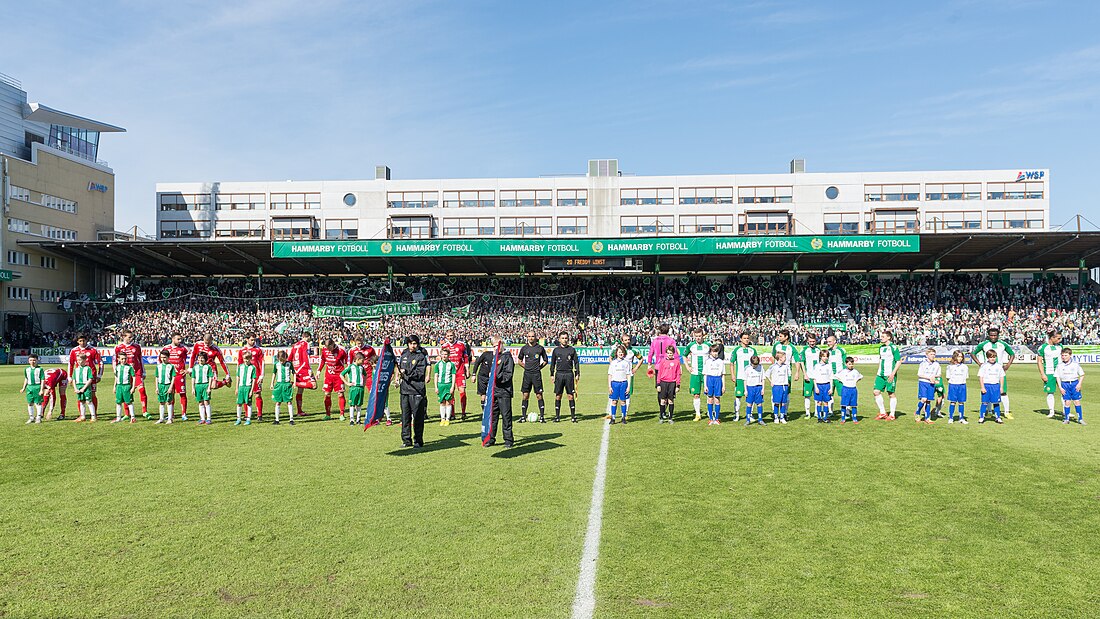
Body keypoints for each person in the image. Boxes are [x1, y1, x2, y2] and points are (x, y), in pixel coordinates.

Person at [971, 327, 1015, 419]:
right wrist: (980, 364)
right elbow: (973, 353)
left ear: (998, 335)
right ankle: (989, 411)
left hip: (999, 371)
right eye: (991, 335)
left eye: (995, 335)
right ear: (988, 335)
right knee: (988, 392)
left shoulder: (1003, 344)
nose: (993, 337)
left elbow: (1012, 354)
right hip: (988, 372)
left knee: (1003, 392)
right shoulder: (984, 344)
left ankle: (1006, 412)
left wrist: (1008, 365)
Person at [396, 334, 430, 448]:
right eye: (410, 343)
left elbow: (420, 373)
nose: (412, 346)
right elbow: (399, 368)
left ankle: (418, 441)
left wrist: (406, 372)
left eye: (415, 343)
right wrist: (398, 378)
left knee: (418, 418)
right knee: (405, 417)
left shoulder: (421, 356)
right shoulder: (404, 354)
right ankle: (406, 440)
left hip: (417, 390)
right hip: (404, 390)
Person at [484, 335, 515, 447]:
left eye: (496, 346)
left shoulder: (507, 357)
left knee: (506, 417)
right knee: (493, 416)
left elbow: (508, 375)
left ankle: (508, 440)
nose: (495, 348)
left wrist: (496, 377)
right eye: (493, 346)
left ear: (501, 344)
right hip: (494, 391)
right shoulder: (495, 357)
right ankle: (491, 438)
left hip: (504, 391)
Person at [114, 330, 148, 417]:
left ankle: (144, 411)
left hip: (136, 371)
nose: (131, 338)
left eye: (132, 337)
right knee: (126, 391)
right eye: (129, 337)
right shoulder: (118, 347)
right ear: (123, 337)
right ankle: (126, 414)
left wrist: (143, 371)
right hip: (125, 373)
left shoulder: (136, 346)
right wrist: (116, 371)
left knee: (142, 389)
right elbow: (115, 360)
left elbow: (140, 359)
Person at [549, 331, 580, 423]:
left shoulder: (572, 350)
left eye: (566, 338)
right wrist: (551, 374)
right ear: (559, 339)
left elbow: (576, 362)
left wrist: (577, 373)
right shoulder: (556, 350)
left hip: (569, 374)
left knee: (570, 396)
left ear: (568, 339)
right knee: (558, 395)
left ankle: (573, 417)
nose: (564, 340)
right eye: (562, 338)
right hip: (559, 374)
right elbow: (553, 363)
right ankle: (557, 417)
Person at [68, 333, 103, 414]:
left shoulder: (93, 350)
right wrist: (69, 376)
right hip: (79, 377)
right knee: (80, 395)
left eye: (84, 340)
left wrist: (99, 375)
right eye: (80, 341)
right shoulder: (74, 351)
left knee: (92, 394)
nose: (82, 342)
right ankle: (81, 415)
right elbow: (71, 363)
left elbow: (100, 362)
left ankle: (94, 413)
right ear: (77, 341)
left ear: (87, 340)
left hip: (91, 376)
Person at [518, 332, 548, 423]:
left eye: (532, 336)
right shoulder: (524, 348)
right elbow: (519, 361)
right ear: (527, 337)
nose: (531, 338)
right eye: (529, 336)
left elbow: (546, 360)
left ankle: (542, 417)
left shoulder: (540, 348)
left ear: (536, 337)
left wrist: (539, 368)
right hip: (527, 375)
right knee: (525, 395)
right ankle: (523, 417)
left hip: (536, 375)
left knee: (539, 395)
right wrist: (526, 367)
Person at [442, 330, 472, 421]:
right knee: (451, 392)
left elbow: (466, 357)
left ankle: (463, 413)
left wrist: (467, 369)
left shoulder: (461, 345)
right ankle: (452, 414)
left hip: (460, 371)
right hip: (449, 373)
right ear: (446, 336)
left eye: (451, 335)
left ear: (454, 335)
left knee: (462, 391)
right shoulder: (444, 346)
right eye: (448, 336)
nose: (450, 337)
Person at [287, 330, 317, 417]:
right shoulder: (306, 344)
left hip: (297, 369)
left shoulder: (295, 345)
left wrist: (291, 370)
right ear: (307, 337)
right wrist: (309, 369)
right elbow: (306, 357)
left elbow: (289, 359)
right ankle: (293, 383)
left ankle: (299, 411)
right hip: (304, 368)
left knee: (300, 390)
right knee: (314, 385)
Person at [160, 333, 190, 420]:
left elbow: (193, 356)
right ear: (173, 339)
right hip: (169, 376)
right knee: (170, 394)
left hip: (180, 375)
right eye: (178, 339)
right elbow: (160, 360)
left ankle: (183, 414)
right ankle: (171, 414)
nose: (180, 341)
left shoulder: (184, 348)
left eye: (181, 339)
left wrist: (188, 369)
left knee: (182, 394)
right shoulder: (166, 348)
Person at [873, 330, 901, 421]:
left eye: (883, 337)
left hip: (889, 374)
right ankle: (883, 412)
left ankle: (892, 414)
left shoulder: (893, 347)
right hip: (880, 374)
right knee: (876, 392)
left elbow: (898, 361)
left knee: (891, 393)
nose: (881, 338)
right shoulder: (881, 348)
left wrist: (893, 374)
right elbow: (880, 360)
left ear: (888, 337)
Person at [318, 339, 348, 420]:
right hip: (329, 375)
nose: (328, 350)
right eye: (327, 348)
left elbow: (347, 362)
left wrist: (348, 373)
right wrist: (318, 371)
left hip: (339, 375)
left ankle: (342, 414)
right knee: (327, 394)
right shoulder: (324, 349)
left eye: (329, 348)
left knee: (340, 394)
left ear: (333, 344)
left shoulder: (341, 350)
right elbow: (323, 360)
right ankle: (328, 414)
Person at [237, 333, 265, 421]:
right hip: (246, 376)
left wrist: (261, 375)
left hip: (256, 376)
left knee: (257, 394)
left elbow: (262, 362)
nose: (253, 341)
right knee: (246, 395)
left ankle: (259, 414)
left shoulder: (258, 350)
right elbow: (239, 364)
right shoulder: (242, 350)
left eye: (254, 340)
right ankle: (247, 414)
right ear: (247, 339)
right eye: (252, 340)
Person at [1036, 330, 1064, 418]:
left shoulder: (1060, 346)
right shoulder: (1043, 348)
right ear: (1052, 338)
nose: (1060, 340)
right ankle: (1051, 411)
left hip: (1061, 373)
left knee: (1064, 391)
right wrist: (1042, 374)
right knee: (1050, 392)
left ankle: (1065, 411)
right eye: (1058, 338)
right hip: (1049, 372)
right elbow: (1039, 362)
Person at [685, 327, 710, 422]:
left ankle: (709, 412)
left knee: (709, 394)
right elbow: (684, 355)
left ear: (703, 336)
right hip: (695, 373)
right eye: (696, 336)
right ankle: (698, 414)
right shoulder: (690, 345)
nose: (698, 338)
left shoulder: (708, 345)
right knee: (696, 394)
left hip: (706, 373)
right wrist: (687, 366)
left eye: (700, 336)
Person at [1056, 347, 1085, 425]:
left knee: (1077, 401)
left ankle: (1080, 418)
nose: (1064, 357)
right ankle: (1066, 419)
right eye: (1062, 355)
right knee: (1067, 402)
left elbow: (1082, 375)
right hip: (1065, 384)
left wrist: (1079, 384)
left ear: (1070, 355)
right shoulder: (1059, 365)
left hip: (1074, 384)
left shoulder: (1075, 364)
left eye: (1066, 355)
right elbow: (1057, 377)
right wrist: (1060, 387)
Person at [731, 332, 756, 422]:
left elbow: (756, 363)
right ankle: (736, 414)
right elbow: (731, 363)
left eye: (747, 338)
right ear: (740, 339)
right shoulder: (737, 350)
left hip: (751, 378)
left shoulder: (752, 350)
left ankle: (750, 414)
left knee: (750, 396)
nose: (746, 340)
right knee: (738, 396)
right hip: (740, 377)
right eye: (744, 338)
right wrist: (733, 374)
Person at [799, 333, 824, 421]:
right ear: (807, 341)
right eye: (810, 341)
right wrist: (804, 374)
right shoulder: (804, 350)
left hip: (818, 377)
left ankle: (817, 413)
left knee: (817, 395)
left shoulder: (819, 350)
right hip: (808, 376)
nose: (812, 343)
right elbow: (801, 362)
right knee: (807, 395)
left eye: (813, 341)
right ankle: (808, 413)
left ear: (816, 341)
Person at [655, 345, 682, 424]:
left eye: (671, 353)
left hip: (672, 383)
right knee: (662, 400)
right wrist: (658, 384)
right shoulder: (663, 361)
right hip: (663, 382)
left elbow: (678, 374)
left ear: (673, 353)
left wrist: (678, 385)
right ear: (666, 353)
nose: (670, 354)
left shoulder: (676, 362)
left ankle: (670, 418)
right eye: (668, 353)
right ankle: (661, 417)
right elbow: (659, 373)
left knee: (670, 400)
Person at [978, 349, 1005, 424]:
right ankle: (982, 417)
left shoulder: (999, 366)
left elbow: (1001, 377)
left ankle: (998, 417)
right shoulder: (984, 366)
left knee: (996, 402)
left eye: (994, 357)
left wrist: (1001, 387)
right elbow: (981, 377)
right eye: (991, 357)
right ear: (987, 357)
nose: (992, 358)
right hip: (986, 385)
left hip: (995, 386)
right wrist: (982, 387)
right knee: (984, 402)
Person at [608, 345, 633, 425]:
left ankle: (623, 417)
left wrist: (628, 386)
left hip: (623, 383)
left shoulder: (626, 363)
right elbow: (610, 375)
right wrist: (610, 386)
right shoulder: (613, 363)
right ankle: (613, 417)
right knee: (614, 401)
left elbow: (628, 375)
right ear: (616, 353)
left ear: (624, 353)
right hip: (615, 383)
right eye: (619, 352)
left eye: (622, 352)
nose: (620, 353)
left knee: (623, 401)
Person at [915, 348, 941, 423]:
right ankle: (917, 412)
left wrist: (934, 377)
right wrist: (929, 377)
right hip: (923, 382)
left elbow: (939, 374)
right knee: (923, 399)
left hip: (931, 384)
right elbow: (919, 374)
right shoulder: (923, 364)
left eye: (934, 354)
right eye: (931, 354)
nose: (933, 356)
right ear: (927, 355)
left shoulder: (937, 364)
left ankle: (927, 418)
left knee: (928, 401)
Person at [703, 343, 726, 425]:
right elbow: (705, 374)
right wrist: (705, 385)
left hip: (718, 380)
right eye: (713, 351)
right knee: (710, 399)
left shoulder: (721, 362)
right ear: (710, 352)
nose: (715, 353)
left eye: (716, 351)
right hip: (710, 379)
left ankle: (716, 418)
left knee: (717, 399)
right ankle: (710, 418)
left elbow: (723, 374)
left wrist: (723, 386)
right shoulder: (707, 361)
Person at [434, 346, 458, 426]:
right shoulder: (438, 364)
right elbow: (436, 376)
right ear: (440, 355)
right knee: (441, 402)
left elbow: (454, 375)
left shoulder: (451, 364)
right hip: (440, 385)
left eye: (446, 354)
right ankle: (442, 418)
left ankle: (447, 419)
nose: (444, 356)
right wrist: (436, 387)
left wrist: (452, 386)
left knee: (448, 402)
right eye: (443, 354)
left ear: (448, 355)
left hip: (448, 385)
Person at [270, 350, 295, 425]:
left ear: (286, 358)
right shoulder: (276, 364)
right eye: (280, 360)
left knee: (289, 401)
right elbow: (274, 373)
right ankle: (277, 419)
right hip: (279, 385)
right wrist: (272, 383)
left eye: (283, 360)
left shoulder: (289, 364)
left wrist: (295, 382)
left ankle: (291, 419)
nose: (282, 362)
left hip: (287, 384)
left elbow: (294, 373)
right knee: (278, 401)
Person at [341, 352, 367, 426]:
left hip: (360, 388)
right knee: (352, 404)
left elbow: (365, 375)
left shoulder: (361, 367)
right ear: (357, 359)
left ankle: (358, 419)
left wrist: (364, 383)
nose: (363, 362)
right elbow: (342, 374)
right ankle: (352, 419)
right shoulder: (351, 367)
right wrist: (347, 383)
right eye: (362, 361)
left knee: (359, 404)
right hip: (353, 387)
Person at [767, 349, 791, 424]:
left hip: (784, 386)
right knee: (776, 402)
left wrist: (787, 382)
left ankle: (782, 417)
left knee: (783, 403)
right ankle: (776, 417)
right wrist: (771, 382)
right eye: (784, 357)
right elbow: (767, 374)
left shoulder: (786, 366)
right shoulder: (773, 366)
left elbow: (788, 374)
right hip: (777, 386)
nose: (785, 359)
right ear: (780, 358)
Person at [835, 356, 862, 423]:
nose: (851, 365)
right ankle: (843, 418)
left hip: (853, 389)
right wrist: (841, 380)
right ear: (846, 364)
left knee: (854, 405)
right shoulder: (843, 371)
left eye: (852, 364)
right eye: (849, 364)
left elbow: (860, 377)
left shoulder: (855, 371)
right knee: (844, 404)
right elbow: (836, 376)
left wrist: (855, 381)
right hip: (845, 389)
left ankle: (854, 418)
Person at [190, 351, 215, 425]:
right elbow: (193, 378)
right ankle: (202, 418)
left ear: (205, 359)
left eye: (202, 358)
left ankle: (209, 418)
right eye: (199, 358)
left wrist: (209, 387)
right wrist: (193, 388)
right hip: (198, 386)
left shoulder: (208, 367)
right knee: (200, 402)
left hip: (205, 385)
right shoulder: (195, 367)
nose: (200, 360)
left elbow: (210, 377)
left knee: (206, 401)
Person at [945, 350, 969, 425]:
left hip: (962, 385)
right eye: (958, 356)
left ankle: (961, 418)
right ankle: (951, 418)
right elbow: (948, 377)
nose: (960, 358)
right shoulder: (950, 367)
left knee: (961, 402)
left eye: (961, 357)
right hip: (953, 385)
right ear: (955, 357)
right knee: (953, 402)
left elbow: (966, 376)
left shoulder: (965, 367)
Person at [72, 353, 98, 422]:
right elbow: (74, 380)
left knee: (88, 401)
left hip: (86, 387)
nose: (79, 361)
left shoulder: (88, 368)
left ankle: (93, 416)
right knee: (81, 401)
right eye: (78, 360)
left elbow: (90, 379)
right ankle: (82, 416)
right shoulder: (76, 369)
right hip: (78, 386)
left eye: (80, 360)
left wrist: (84, 388)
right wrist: (75, 388)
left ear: (85, 360)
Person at [235, 350, 258, 426]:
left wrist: (251, 390)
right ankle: (238, 419)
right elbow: (238, 377)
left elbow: (254, 379)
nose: (246, 360)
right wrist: (237, 388)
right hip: (241, 387)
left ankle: (248, 419)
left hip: (248, 387)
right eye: (245, 358)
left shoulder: (252, 367)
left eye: (248, 359)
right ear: (243, 358)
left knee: (248, 403)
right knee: (239, 403)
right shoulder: (240, 367)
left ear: (251, 358)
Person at [21, 353, 45, 424]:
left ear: (37, 360)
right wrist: (23, 388)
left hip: (37, 387)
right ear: (28, 361)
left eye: (34, 360)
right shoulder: (27, 369)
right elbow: (26, 378)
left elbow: (42, 379)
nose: (32, 362)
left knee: (38, 403)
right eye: (31, 360)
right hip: (29, 387)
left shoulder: (40, 369)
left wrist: (41, 389)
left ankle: (38, 417)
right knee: (30, 403)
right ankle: (31, 417)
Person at [742, 354, 766, 426]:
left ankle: (760, 419)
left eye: (756, 365)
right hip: (750, 388)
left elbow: (763, 379)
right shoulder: (747, 368)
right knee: (749, 404)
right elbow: (745, 380)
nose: (755, 366)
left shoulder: (761, 368)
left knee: (759, 404)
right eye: (753, 365)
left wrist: (763, 388)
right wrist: (745, 390)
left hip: (758, 387)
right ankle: (748, 420)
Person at [112, 358, 137, 424]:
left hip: (126, 386)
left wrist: (133, 387)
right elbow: (116, 377)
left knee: (129, 402)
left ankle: (133, 417)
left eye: (125, 359)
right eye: (122, 359)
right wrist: (114, 386)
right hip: (119, 386)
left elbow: (134, 377)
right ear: (119, 359)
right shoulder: (117, 367)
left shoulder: (129, 367)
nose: (124, 360)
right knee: (118, 402)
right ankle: (118, 418)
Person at [826, 335, 847, 415]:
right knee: (830, 394)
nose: (828, 343)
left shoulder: (841, 350)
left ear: (835, 341)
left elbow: (845, 363)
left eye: (830, 341)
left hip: (839, 377)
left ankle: (846, 412)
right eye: (827, 342)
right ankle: (830, 411)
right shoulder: (827, 352)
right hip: (830, 377)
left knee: (843, 395)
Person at [155, 350, 177, 424]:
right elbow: (157, 377)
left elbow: (173, 377)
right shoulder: (158, 366)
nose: (163, 359)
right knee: (161, 402)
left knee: (169, 402)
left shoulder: (171, 366)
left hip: (168, 385)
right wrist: (157, 387)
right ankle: (161, 418)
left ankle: (170, 418)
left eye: (164, 357)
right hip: (161, 385)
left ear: (168, 357)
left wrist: (171, 387)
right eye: (161, 357)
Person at [812, 349, 834, 423]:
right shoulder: (817, 366)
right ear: (820, 356)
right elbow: (814, 378)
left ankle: (825, 417)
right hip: (819, 385)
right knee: (819, 402)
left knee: (826, 402)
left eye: (826, 356)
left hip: (826, 385)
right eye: (823, 356)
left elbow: (831, 378)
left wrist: (831, 388)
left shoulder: (829, 366)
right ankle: (819, 417)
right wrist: (816, 387)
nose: (825, 358)